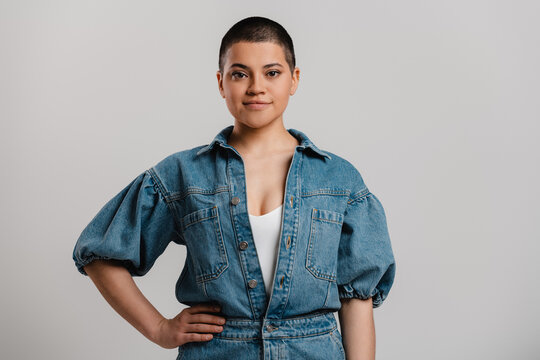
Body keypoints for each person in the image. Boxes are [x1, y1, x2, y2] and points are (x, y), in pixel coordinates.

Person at [72, 16, 396, 360]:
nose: (256, 87)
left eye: (272, 73)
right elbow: (100, 254)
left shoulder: (339, 180)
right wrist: (159, 328)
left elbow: (356, 300)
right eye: (240, 74)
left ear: (294, 79)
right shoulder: (182, 174)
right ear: (221, 83)